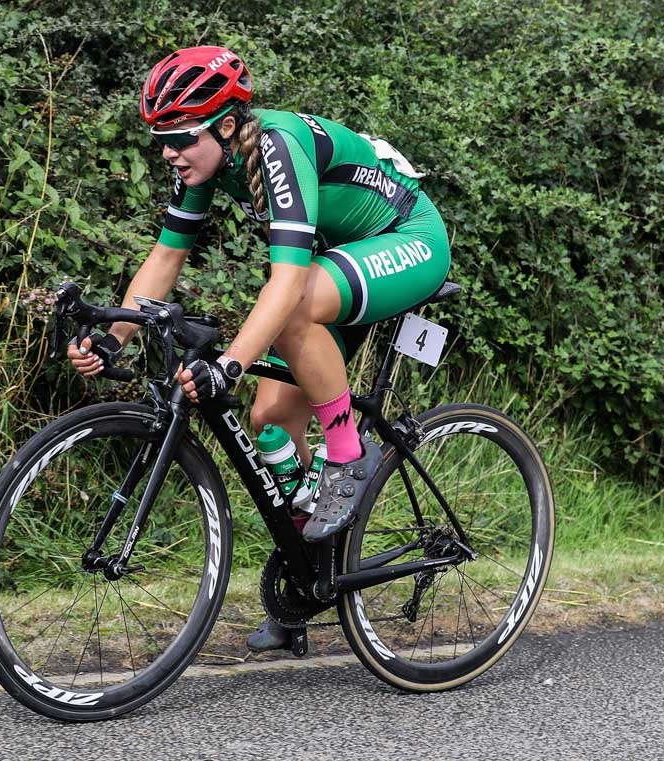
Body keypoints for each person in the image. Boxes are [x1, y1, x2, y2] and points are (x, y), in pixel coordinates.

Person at [68, 46, 450, 651]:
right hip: (340, 259)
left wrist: (228, 365)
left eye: (179, 137)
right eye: (160, 138)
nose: (168, 151)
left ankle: (351, 457)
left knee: (295, 308)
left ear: (224, 124)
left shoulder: (274, 145)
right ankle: (308, 582)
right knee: (268, 418)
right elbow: (166, 259)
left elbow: (288, 281)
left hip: (409, 238)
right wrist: (111, 340)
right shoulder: (206, 161)